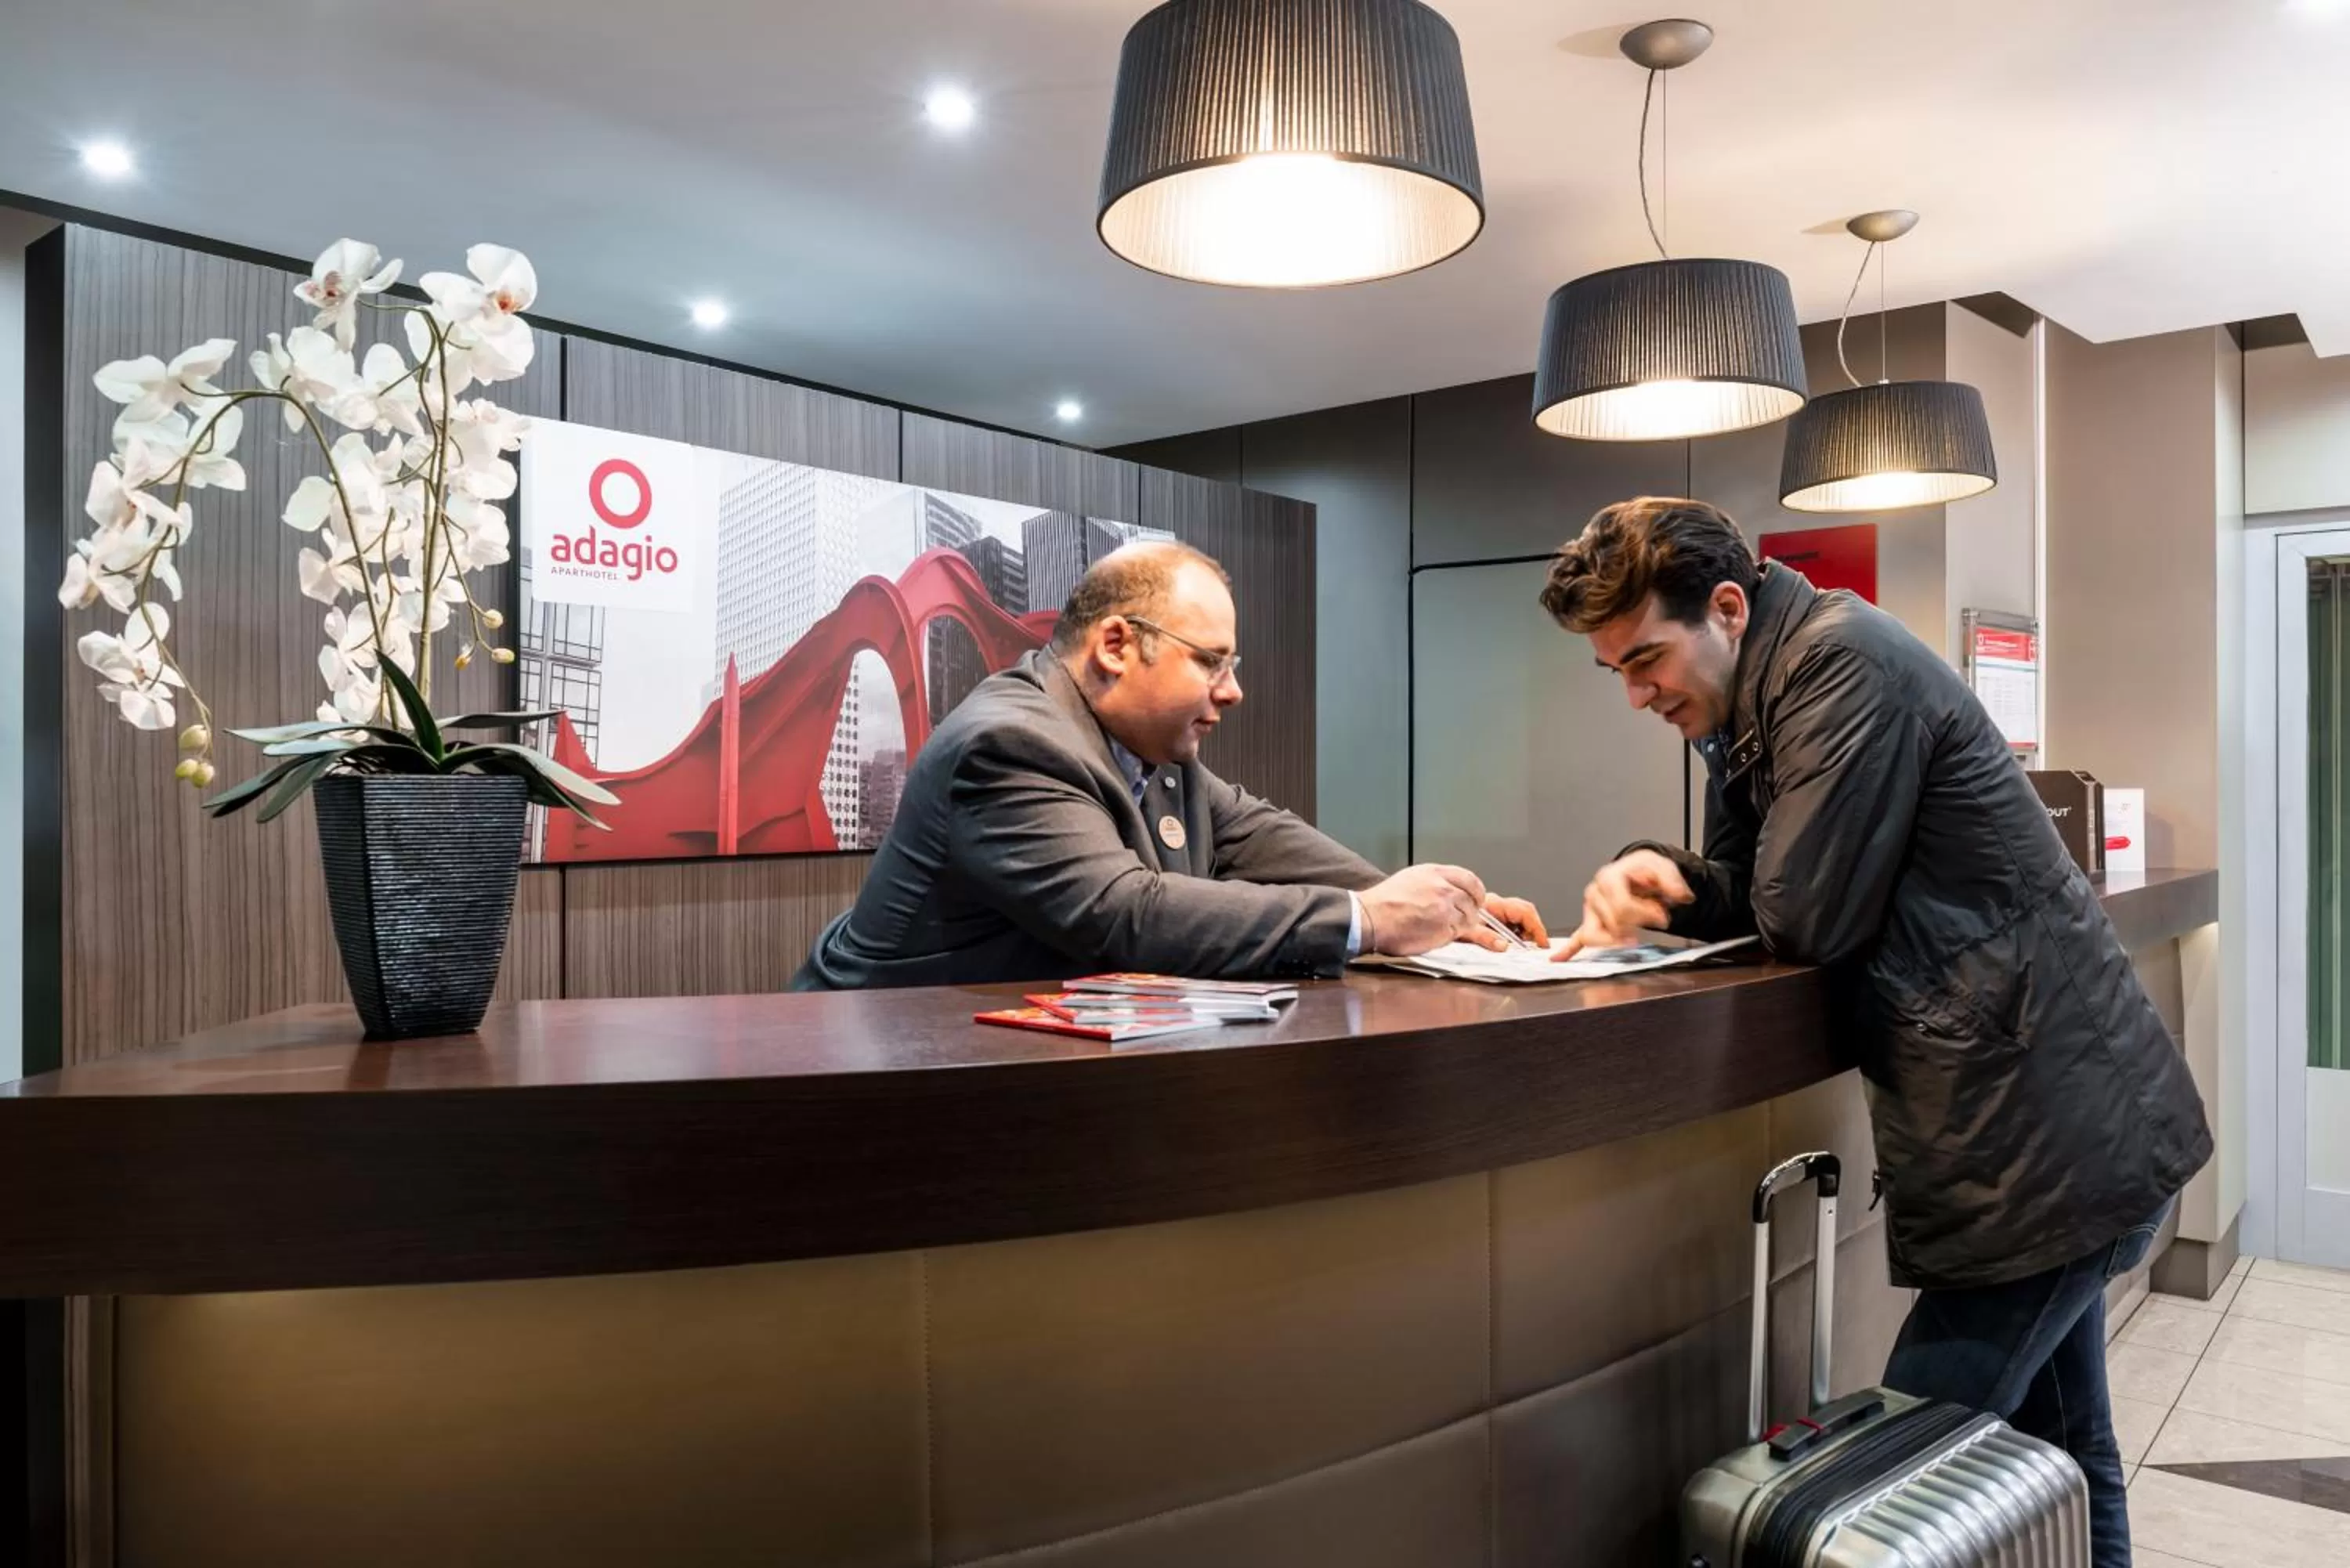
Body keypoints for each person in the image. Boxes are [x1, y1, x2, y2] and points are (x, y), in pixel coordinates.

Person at [1538, 497, 2210, 1568]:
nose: (1636, 693)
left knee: (1877, 1494)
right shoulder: (1755, 699)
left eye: (1648, 658)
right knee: (2066, 1448)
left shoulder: (1841, 663)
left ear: (1727, 608)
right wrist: (1663, 877)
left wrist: (1710, 880)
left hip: (2045, 1148)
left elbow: (1803, 916)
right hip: (2055, 1142)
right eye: (1615, 669)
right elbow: (1753, 887)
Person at [794, 540, 1544, 989]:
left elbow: (1256, 834)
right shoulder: (1010, 745)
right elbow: (1127, 914)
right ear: (1116, 646)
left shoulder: (1151, 751)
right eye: (1211, 661)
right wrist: (1373, 920)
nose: (1233, 689)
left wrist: (1441, 911)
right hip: (883, 1076)